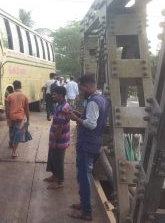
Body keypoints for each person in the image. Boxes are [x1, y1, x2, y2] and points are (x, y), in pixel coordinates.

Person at [68, 74, 108, 221]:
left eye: (81, 88)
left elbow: (91, 124)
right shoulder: (101, 99)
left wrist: (76, 119)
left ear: (88, 86)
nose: (80, 92)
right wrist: (81, 115)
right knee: (83, 175)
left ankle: (86, 212)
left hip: (87, 144)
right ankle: (84, 203)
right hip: (93, 142)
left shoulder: (92, 102)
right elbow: (94, 118)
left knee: (84, 177)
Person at [44, 86, 71, 189]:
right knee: (53, 158)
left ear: (61, 95)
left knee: (58, 160)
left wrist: (54, 141)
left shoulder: (62, 108)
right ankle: (54, 176)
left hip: (59, 140)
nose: (53, 96)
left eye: (55, 94)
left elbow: (59, 127)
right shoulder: (61, 105)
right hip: (57, 139)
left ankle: (59, 182)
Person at [6, 80, 30, 158]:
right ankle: (14, 152)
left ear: (14, 87)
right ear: (20, 86)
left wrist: (8, 118)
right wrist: (28, 119)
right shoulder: (25, 96)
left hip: (11, 117)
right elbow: (27, 109)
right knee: (18, 134)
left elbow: (7, 109)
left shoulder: (9, 96)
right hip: (20, 118)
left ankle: (10, 142)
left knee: (11, 130)